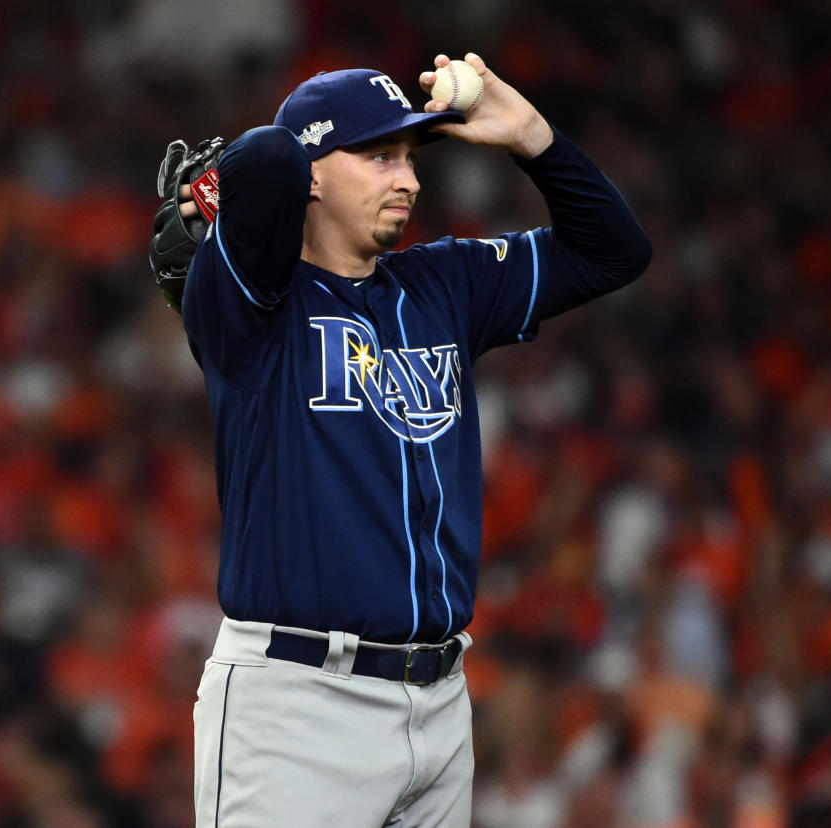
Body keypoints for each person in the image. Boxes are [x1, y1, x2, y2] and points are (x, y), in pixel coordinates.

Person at [165, 53, 651, 826]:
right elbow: (265, 156)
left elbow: (614, 251)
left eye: (412, 157)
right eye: (380, 155)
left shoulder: (443, 286)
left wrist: (529, 134)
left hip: (441, 700)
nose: (409, 179)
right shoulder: (253, 308)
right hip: (298, 705)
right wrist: (244, 182)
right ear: (312, 176)